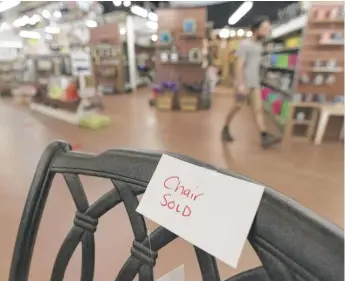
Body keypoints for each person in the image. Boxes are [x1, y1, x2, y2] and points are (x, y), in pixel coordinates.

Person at [221, 16, 281, 149]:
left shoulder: (259, 45)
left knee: (258, 109)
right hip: (244, 83)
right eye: (264, 28)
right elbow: (239, 65)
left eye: (268, 28)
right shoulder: (245, 44)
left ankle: (264, 136)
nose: (267, 31)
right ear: (256, 29)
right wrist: (240, 84)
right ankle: (225, 128)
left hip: (255, 83)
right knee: (237, 106)